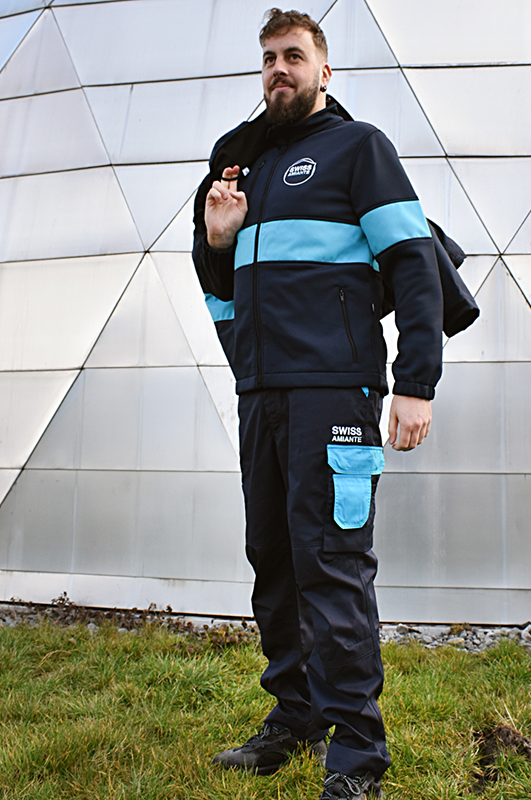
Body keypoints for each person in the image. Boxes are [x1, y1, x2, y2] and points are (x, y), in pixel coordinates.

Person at [192, 9, 446, 799]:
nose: (279, 68)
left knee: (331, 565)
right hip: (262, 397)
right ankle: (295, 716)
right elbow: (224, 291)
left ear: (324, 70)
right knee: (273, 560)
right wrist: (218, 241)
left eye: (294, 56)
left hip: (335, 391)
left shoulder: (358, 149)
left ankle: (358, 754)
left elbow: (414, 264)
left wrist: (415, 381)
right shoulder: (241, 164)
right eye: (269, 57)